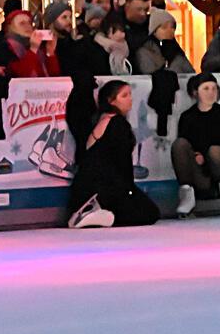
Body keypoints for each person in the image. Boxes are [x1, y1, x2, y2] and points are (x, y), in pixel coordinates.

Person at [65, 80, 160, 229]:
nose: (130, 99)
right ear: (111, 101)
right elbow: (121, 162)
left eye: (130, 94)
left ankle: (93, 213)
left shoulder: (99, 119)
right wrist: (129, 191)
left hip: (86, 187)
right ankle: (100, 215)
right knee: (149, 213)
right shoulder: (117, 123)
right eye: (124, 96)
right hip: (105, 188)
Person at [172, 74, 220, 217]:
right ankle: (187, 194)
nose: (211, 92)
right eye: (206, 89)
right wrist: (196, 155)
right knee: (179, 145)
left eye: (214, 88)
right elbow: (185, 144)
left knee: (215, 151)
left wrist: (204, 154)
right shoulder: (187, 117)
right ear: (195, 92)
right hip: (202, 174)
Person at [0, 9, 61, 79]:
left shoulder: (36, 45)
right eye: (22, 23)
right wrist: (33, 49)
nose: (27, 26)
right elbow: (20, 75)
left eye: (29, 23)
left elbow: (53, 75)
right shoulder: (5, 46)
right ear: (11, 27)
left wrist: (50, 51)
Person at [134, 10, 195, 76]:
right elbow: (150, 77)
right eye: (164, 27)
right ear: (154, 31)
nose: (169, 31)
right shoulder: (145, 51)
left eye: (172, 27)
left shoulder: (176, 51)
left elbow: (191, 73)